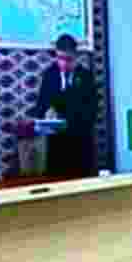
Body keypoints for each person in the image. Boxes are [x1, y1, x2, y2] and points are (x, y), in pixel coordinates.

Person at [29, 34, 97, 179]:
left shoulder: (86, 77)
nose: (64, 64)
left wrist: (68, 120)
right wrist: (46, 113)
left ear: (76, 57)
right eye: (60, 58)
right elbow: (39, 107)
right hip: (56, 146)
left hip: (80, 146)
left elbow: (92, 113)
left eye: (68, 59)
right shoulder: (49, 75)